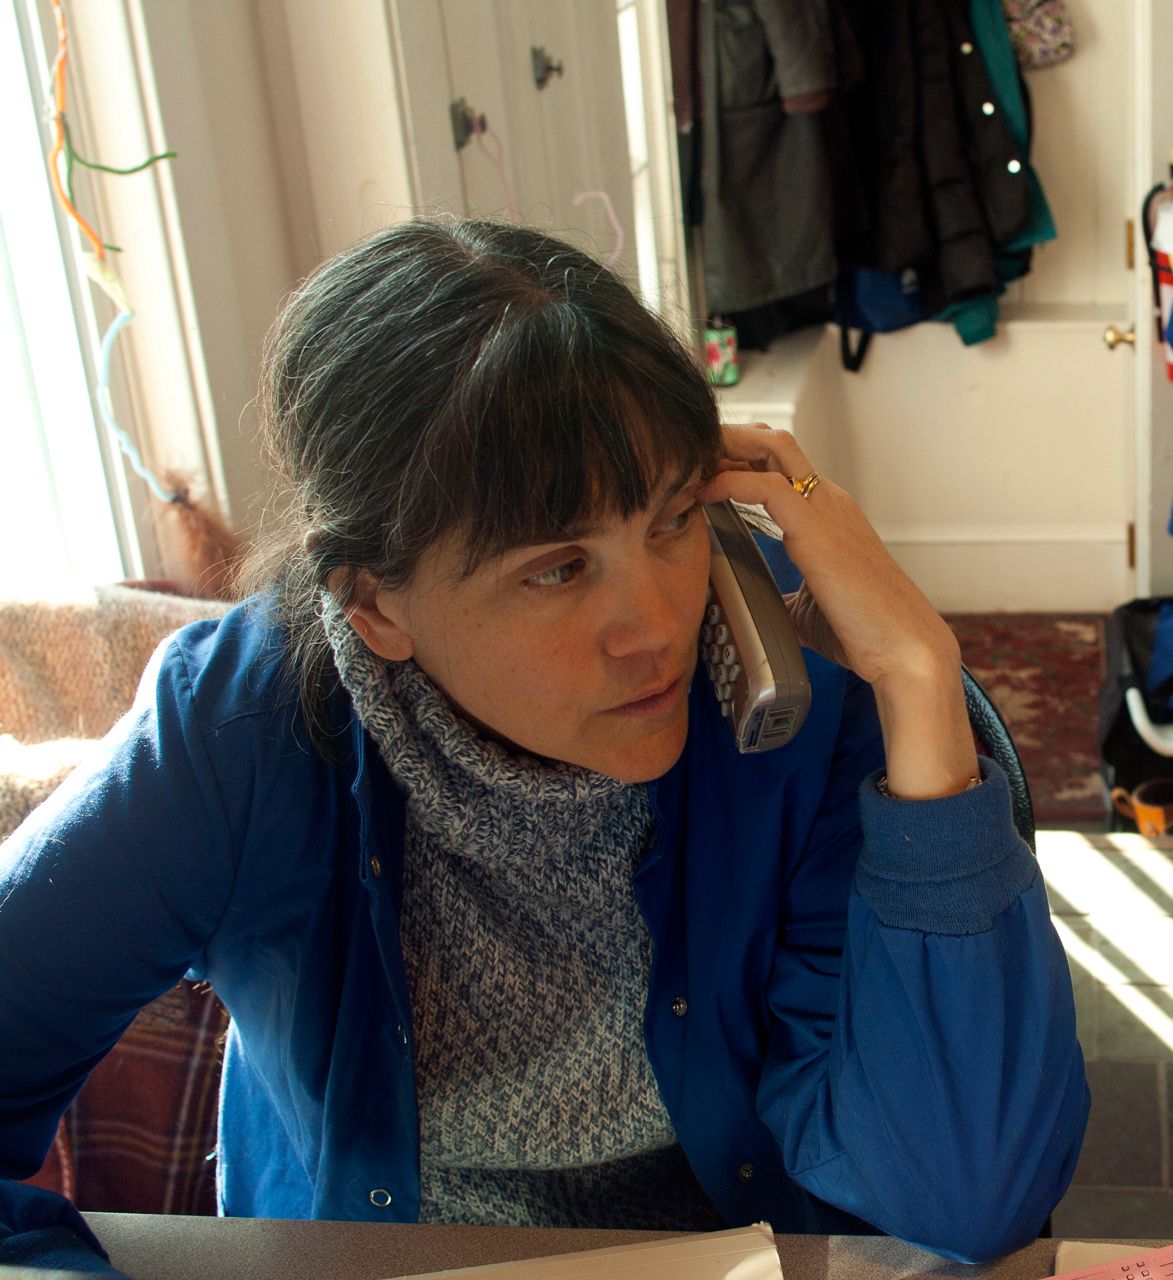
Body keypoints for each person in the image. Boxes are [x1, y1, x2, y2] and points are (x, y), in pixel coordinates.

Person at [0, 219, 1089, 1274]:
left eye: (670, 519)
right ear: (374, 605)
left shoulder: (793, 712)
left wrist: (918, 678)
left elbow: (966, 1194)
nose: (656, 626)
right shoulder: (236, 734)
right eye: (558, 569)